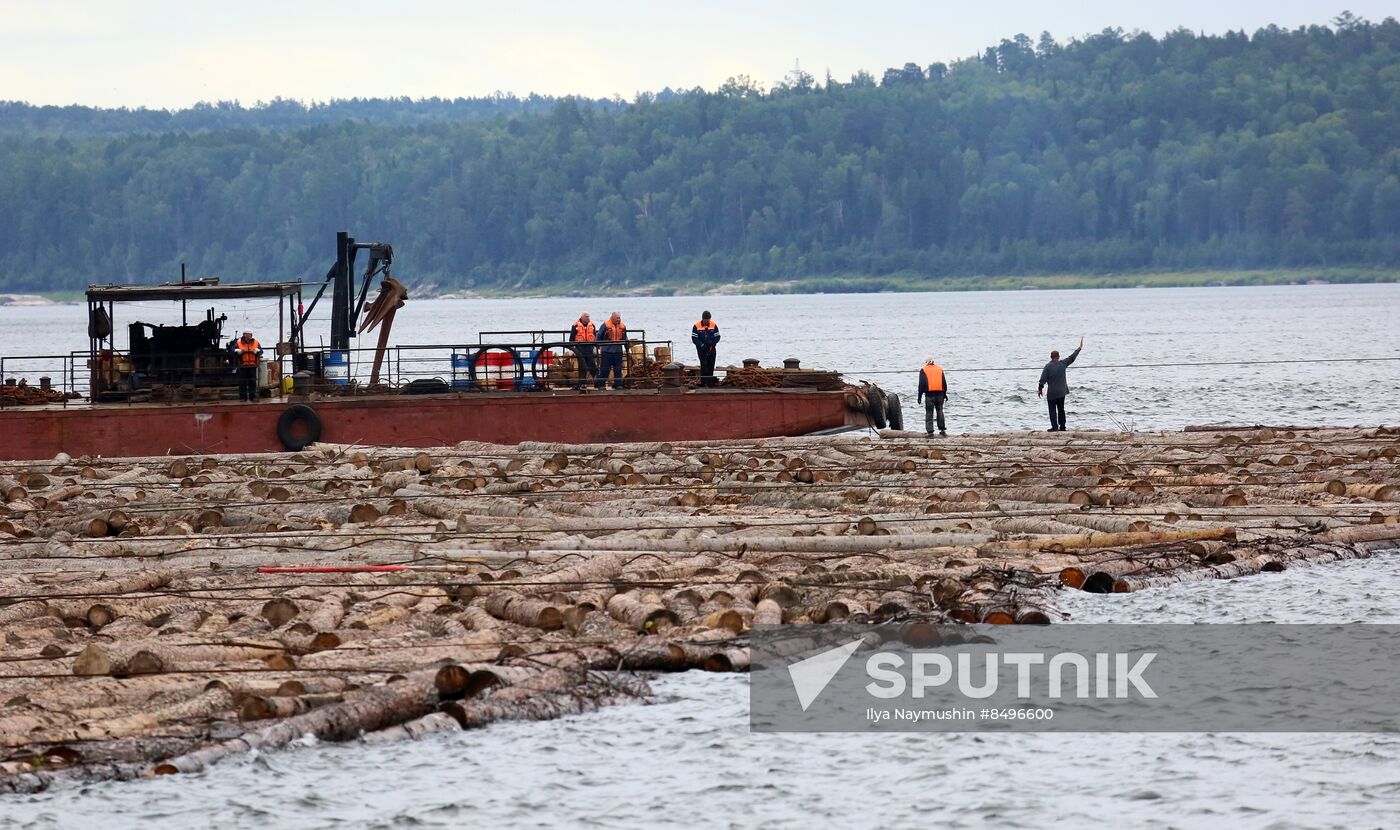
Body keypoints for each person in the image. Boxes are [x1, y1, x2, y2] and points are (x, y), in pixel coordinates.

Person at [1037, 337, 1084, 432]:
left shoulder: (1047, 366)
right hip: (1062, 392)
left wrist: (1040, 389)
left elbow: (1042, 380)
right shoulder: (1063, 363)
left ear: (1051, 357)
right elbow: (1072, 357)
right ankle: (1062, 427)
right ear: (1058, 357)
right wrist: (1079, 348)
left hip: (1052, 393)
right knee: (1061, 409)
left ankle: (1054, 427)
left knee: (1052, 410)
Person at [595, 311, 628, 389]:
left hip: (618, 351)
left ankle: (618, 384)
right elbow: (599, 336)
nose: (618, 319)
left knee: (618, 368)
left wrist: (627, 348)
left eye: (619, 318)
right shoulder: (605, 325)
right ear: (612, 317)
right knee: (604, 369)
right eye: (617, 318)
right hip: (607, 351)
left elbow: (625, 338)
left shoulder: (622, 326)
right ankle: (601, 385)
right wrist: (597, 346)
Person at [917, 356, 948, 437]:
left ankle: (930, 432)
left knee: (929, 413)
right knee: (940, 411)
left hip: (929, 395)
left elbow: (921, 385)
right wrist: (945, 394)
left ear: (926, 362)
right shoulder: (939, 369)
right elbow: (944, 383)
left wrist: (919, 397)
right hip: (940, 394)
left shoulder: (923, 370)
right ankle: (942, 430)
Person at [691, 310, 721, 388]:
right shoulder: (696, 326)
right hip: (702, 350)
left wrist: (713, 343)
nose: (707, 321)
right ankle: (704, 383)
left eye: (708, 319)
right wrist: (701, 344)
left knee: (711, 365)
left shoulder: (713, 325)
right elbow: (694, 338)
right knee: (704, 365)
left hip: (711, 349)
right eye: (705, 320)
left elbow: (717, 337)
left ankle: (710, 383)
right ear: (703, 319)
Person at [569, 311, 597, 387]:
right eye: (587, 317)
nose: (588, 318)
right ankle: (582, 384)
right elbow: (571, 339)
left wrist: (595, 347)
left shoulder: (592, 325)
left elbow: (595, 337)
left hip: (589, 349)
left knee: (593, 366)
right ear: (582, 317)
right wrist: (572, 350)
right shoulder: (575, 326)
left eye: (589, 317)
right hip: (580, 349)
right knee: (582, 367)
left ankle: (598, 383)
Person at [233, 330, 263, 402]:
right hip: (242, 365)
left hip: (252, 365)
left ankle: (252, 397)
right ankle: (243, 397)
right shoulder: (238, 342)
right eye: (247, 335)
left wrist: (258, 351)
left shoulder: (256, 342)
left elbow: (261, 351)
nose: (249, 336)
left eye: (250, 335)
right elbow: (232, 350)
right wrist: (237, 351)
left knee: (252, 382)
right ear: (244, 335)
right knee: (242, 382)